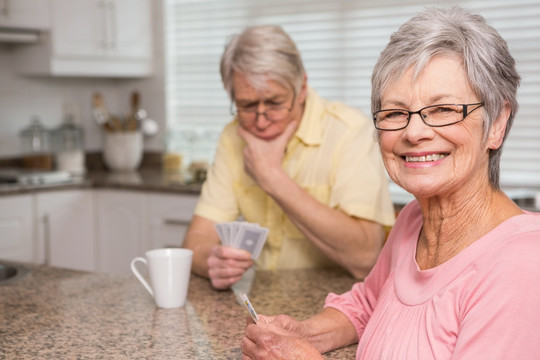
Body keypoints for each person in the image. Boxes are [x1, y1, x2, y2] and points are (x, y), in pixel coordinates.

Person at [241, 7, 540, 359]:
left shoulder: (524, 263)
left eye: (443, 109)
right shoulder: (414, 219)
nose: (414, 132)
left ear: (497, 123)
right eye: (396, 113)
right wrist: (305, 333)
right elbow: (368, 304)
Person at [183, 25, 395, 290]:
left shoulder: (350, 132)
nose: (261, 120)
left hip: (334, 306)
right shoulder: (233, 136)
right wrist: (210, 261)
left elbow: (365, 257)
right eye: (247, 105)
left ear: (302, 87)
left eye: (274, 103)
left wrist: (272, 178)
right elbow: (196, 240)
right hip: (261, 302)